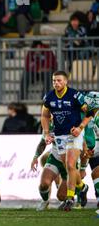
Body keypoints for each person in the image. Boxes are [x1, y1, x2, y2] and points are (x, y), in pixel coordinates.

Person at [41, 70, 91, 211]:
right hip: (59, 135)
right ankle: (82, 187)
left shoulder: (75, 95)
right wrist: (46, 133)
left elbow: (90, 113)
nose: (56, 83)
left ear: (66, 81)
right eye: (54, 81)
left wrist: (80, 127)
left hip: (74, 133)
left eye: (59, 80)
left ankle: (70, 198)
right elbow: (44, 116)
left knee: (70, 165)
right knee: (69, 167)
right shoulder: (49, 97)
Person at [31, 119, 68, 211]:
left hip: (69, 160)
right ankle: (45, 201)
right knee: (44, 185)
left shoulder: (70, 122)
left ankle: (81, 189)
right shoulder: (49, 126)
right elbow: (43, 143)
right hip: (55, 158)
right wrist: (35, 157)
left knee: (61, 196)